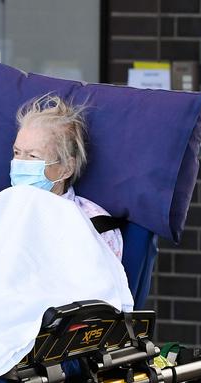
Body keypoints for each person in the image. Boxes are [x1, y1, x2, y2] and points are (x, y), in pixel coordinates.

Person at [10, 94, 124, 261]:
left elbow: (100, 285)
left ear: (66, 168)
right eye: (17, 152)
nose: (20, 163)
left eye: (33, 156)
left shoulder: (92, 226)